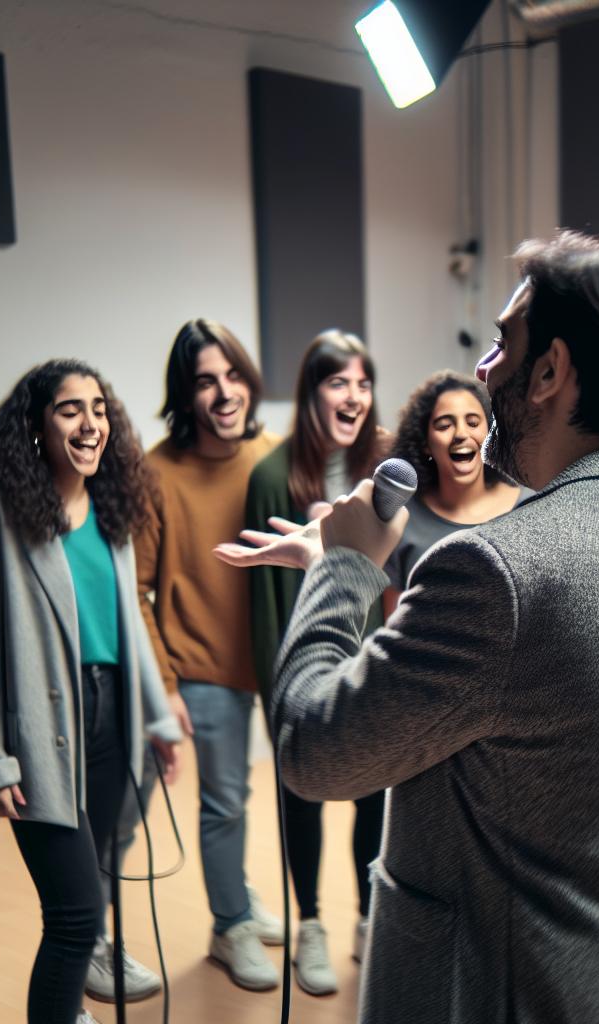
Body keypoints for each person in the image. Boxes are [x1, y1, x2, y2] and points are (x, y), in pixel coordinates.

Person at [218, 230, 599, 1023]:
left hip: (497, 990)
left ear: (553, 372)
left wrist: (344, 565)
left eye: (502, 344)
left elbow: (311, 751)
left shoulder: (495, 572)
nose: (485, 369)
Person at [0, 359, 182, 1024]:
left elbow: (129, 621)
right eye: (70, 409)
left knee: (99, 880)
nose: (91, 423)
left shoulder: (111, 507)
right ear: (35, 425)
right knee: (76, 916)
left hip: (114, 717)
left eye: (100, 408)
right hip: (43, 733)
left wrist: (159, 722)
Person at [104, 320, 286, 998]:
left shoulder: (273, 456)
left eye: (233, 375)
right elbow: (138, 588)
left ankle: (234, 897)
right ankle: (229, 924)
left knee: (250, 798)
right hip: (199, 665)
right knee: (225, 803)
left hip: (270, 661)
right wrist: (166, 684)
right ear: (186, 394)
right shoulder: (156, 472)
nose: (224, 392)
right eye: (206, 381)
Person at [243, 329, 389, 995]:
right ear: (312, 395)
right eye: (338, 382)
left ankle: (369, 919)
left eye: (363, 382)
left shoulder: (382, 472)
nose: (354, 395)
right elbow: (266, 601)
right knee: (302, 799)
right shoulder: (273, 477)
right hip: (304, 669)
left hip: (373, 670)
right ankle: (310, 927)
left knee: (374, 800)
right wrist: (282, 694)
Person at [380, 370, 522, 609]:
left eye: (473, 423)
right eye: (444, 425)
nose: (461, 434)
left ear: (490, 434)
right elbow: (392, 629)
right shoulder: (402, 519)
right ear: (425, 443)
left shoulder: (529, 505)